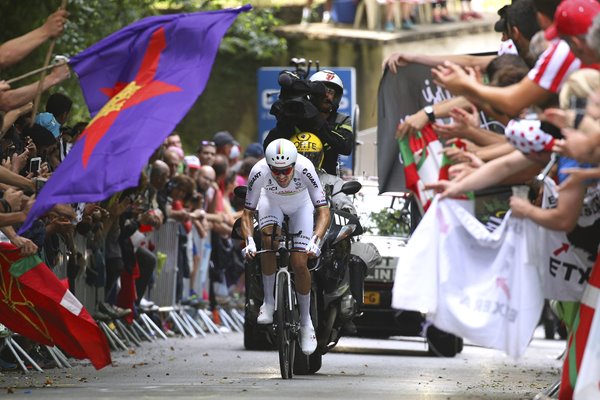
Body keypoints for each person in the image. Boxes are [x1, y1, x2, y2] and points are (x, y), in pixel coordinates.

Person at [240, 139, 330, 355]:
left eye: (286, 170)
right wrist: (250, 242)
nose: (281, 176)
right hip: (271, 202)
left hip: (301, 205)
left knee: (300, 262)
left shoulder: (306, 168)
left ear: (294, 164)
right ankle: (269, 303)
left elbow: (323, 212)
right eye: (276, 171)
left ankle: (306, 322)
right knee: (268, 239)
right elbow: (247, 213)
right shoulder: (259, 171)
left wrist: (315, 240)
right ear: (268, 166)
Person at [264, 69, 353, 177]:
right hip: (293, 180)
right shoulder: (298, 116)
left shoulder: (342, 120)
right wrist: (285, 121)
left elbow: (346, 147)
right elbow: (269, 146)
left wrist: (315, 119)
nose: (327, 95)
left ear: (336, 97)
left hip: (328, 181)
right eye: (323, 91)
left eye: (331, 92)